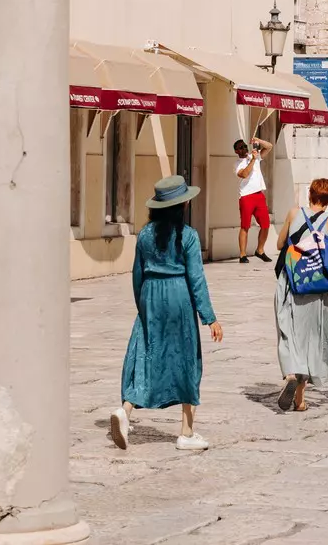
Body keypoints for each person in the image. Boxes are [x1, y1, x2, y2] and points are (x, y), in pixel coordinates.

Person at [111, 176, 222, 451]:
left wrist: (143, 306)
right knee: (186, 358)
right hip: (178, 296)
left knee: (145, 354)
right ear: (181, 205)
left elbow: (137, 274)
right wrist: (209, 317)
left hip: (150, 293)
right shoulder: (189, 236)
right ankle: (186, 431)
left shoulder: (145, 235)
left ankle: (126, 410)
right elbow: (196, 278)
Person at [274, 177, 328, 412]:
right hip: (315, 286)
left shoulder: (293, 214)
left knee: (287, 331)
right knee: (309, 338)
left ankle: (291, 374)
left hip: (290, 282)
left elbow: (280, 244)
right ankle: (300, 399)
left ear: (309, 194)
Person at [233, 137, 273, 264]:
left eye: (245, 146)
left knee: (266, 224)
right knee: (245, 226)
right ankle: (242, 255)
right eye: (241, 147)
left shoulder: (253, 156)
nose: (244, 149)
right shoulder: (238, 163)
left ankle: (260, 250)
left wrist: (258, 141)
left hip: (258, 194)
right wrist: (253, 160)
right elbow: (244, 174)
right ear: (236, 151)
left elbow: (269, 146)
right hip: (246, 196)